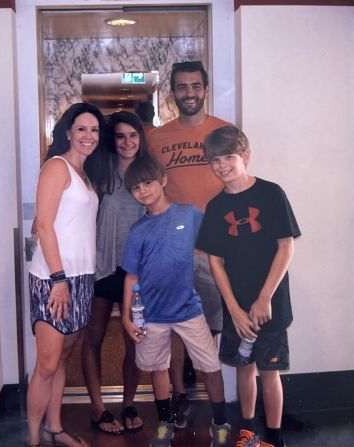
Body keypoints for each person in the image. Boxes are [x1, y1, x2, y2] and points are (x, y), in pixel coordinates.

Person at [196, 125, 301, 447]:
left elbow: (286, 246)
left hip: (270, 304)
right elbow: (215, 261)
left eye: (229, 156)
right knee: (244, 367)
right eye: (214, 159)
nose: (222, 165)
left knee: (270, 371)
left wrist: (264, 298)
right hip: (236, 306)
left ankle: (275, 437)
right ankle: (247, 432)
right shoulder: (215, 207)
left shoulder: (271, 194)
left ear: (245, 156)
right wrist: (235, 310)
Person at [120, 157, 232, 447]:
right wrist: (126, 317)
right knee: (158, 368)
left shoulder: (188, 215)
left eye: (148, 183)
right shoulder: (137, 232)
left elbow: (217, 246)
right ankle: (164, 423)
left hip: (189, 310)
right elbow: (131, 277)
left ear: (163, 180)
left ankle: (220, 422)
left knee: (210, 367)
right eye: (136, 187)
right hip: (152, 315)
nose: (143, 190)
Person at [146, 60, 231, 427]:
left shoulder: (226, 131)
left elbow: (238, 183)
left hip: (215, 251)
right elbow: (145, 185)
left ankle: (206, 390)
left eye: (196, 86)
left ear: (206, 89)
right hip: (173, 251)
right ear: (173, 92)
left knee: (210, 326)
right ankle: (179, 393)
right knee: (174, 325)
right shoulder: (156, 138)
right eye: (182, 87)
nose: (190, 93)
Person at [26, 102, 105, 447]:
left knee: (62, 359)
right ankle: (32, 437)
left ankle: (54, 429)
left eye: (94, 130)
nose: (89, 136)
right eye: (82, 129)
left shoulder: (85, 174)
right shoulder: (56, 167)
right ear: (68, 132)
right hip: (53, 278)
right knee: (46, 363)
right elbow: (43, 224)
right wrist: (59, 279)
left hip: (82, 276)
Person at [81, 111, 147, 435]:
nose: (127, 142)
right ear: (113, 140)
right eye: (120, 136)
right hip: (102, 267)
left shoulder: (148, 172)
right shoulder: (98, 171)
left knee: (133, 341)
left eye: (132, 135)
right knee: (93, 338)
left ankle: (128, 403)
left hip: (137, 270)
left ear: (140, 137)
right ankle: (98, 408)